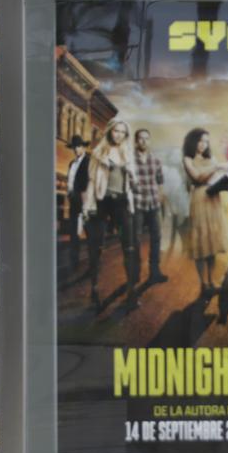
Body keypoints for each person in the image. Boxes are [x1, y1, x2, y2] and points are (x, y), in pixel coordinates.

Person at [83, 119, 139, 310]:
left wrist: (132, 175)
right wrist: (87, 206)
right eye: (116, 131)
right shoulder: (98, 154)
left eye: (123, 132)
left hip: (121, 202)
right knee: (96, 248)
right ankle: (94, 289)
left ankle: (131, 292)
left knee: (129, 248)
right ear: (109, 131)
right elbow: (91, 181)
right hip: (101, 201)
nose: (119, 135)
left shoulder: (129, 155)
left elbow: (134, 184)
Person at [182, 128, 228, 298]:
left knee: (212, 243)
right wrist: (216, 167)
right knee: (201, 243)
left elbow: (214, 179)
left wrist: (227, 181)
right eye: (201, 141)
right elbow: (198, 178)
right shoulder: (188, 159)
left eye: (207, 142)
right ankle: (203, 283)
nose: (204, 145)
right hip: (200, 200)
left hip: (213, 199)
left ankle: (212, 281)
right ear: (193, 141)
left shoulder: (211, 158)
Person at [132, 129, 168, 286]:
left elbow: (160, 181)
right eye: (140, 138)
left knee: (156, 237)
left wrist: (160, 199)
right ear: (136, 141)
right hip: (137, 203)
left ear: (150, 141)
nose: (144, 141)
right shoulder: (130, 159)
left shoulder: (156, 160)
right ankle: (135, 273)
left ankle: (154, 272)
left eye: (147, 138)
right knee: (135, 239)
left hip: (154, 204)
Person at [65, 135, 91, 270]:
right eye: (74, 147)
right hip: (73, 200)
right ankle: (74, 261)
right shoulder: (72, 163)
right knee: (73, 231)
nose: (76, 149)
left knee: (88, 230)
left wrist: (86, 203)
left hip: (84, 199)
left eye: (78, 146)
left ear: (83, 147)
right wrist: (68, 192)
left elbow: (88, 182)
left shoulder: (88, 161)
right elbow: (70, 180)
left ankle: (93, 262)